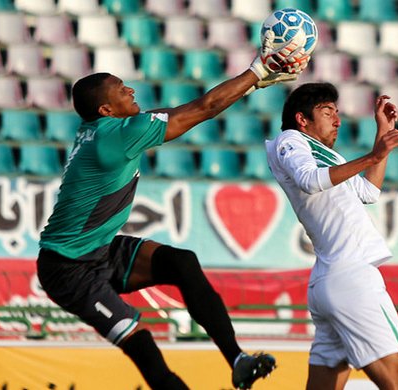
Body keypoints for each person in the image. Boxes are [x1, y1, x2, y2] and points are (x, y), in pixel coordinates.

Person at [36, 31, 310, 390]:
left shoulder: (102, 130)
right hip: (68, 268)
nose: (130, 91)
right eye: (121, 89)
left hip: (97, 250)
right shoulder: (116, 136)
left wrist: (250, 86)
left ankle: (238, 360)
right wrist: (258, 70)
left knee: (182, 262)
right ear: (106, 109)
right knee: (143, 347)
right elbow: (205, 108)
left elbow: (179, 112)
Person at [265, 83, 398, 390]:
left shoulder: (326, 155)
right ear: (302, 119)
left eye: (337, 111)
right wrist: (372, 156)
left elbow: (369, 192)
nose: (337, 120)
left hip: (330, 279)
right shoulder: (290, 140)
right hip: (351, 278)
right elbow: (308, 180)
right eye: (326, 111)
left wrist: (381, 134)